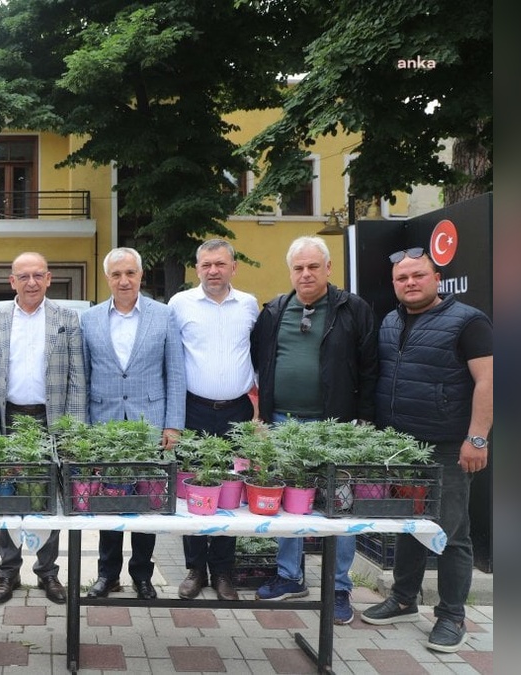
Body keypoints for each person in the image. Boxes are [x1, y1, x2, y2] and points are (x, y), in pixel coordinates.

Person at [361, 248, 493, 653]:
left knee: (450, 532)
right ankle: (403, 599)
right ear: (394, 284)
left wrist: (477, 438)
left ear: (437, 279)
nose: (410, 283)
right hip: (402, 448)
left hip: (447, 447)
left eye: (418, 275)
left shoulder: (468, 321)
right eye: (402, 278)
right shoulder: (390, 321)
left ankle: (452, 616)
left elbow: (489, 380)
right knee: (409, 525)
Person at [250, 236, 377, 624]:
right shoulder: (274, 310)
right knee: (289, 504)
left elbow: (370, 366)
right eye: (299, 268)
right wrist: (262, 415)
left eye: (313, 267)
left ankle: (338, 587)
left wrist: (363, 421)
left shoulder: (352, 309)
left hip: (334, 426)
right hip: (283, 424)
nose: (306, 274)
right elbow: (259, 360)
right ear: (290, 272)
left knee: (339, 507)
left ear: (328, 268)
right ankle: (290, 576)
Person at [80, 247, 186, 601]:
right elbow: (85, 376)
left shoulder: (163, 315)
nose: (123, 280)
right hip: (105, 424)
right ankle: (107, 575)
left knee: (147, 501)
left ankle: (142, 575)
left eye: (130, 273)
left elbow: (175, 373)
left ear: (140, 275)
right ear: (107, 278)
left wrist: (173, 425)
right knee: (108, 501)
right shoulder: (90, 319)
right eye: (116, 274)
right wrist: (85, 430)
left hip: (150, 424)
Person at [0, 252, 86, 605]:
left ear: (49, 278)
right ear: (12, 281)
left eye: (38, 275)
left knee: (47, 497)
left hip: (48, 420)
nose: (31, 282)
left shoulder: (66, 319)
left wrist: (71, 430)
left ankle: (48, 573)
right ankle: (7, 573)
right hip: (7, 419)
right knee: (6, 495)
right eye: (23, 276)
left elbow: (77, 379)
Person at [167, 239, 258, 602]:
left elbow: (258, 355)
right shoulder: (179, 304)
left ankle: (223, 571)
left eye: (220, 264)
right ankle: (195, 569)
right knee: (194, 489)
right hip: (194, 409)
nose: (213, 271)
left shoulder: (249, 305)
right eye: (206, 265)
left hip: (236, 412)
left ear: (233, 267)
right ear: (197, 269)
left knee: (229, 490)